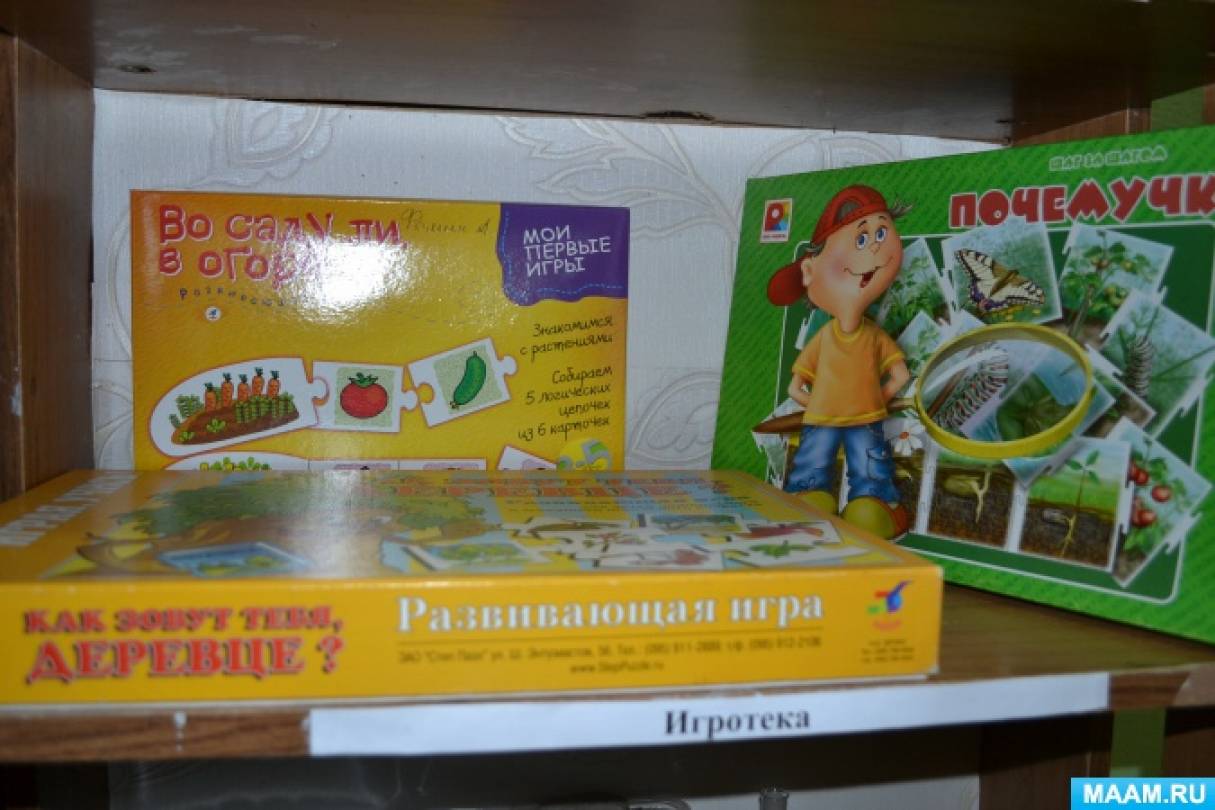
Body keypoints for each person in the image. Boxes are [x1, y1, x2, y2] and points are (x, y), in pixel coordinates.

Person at [766, 184, 911, 538]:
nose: (875, 246)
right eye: (861, 239)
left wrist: (875, 401)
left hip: (865, 419)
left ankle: (875, 505)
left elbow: (900, 375)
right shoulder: (823, 338)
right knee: (811, 471)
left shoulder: (874, 337)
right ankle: (809, 499)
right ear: (809, 270)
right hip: (822, 420)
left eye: (881, 233)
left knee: (871, 471)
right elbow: (795, 386)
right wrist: (818, 403)